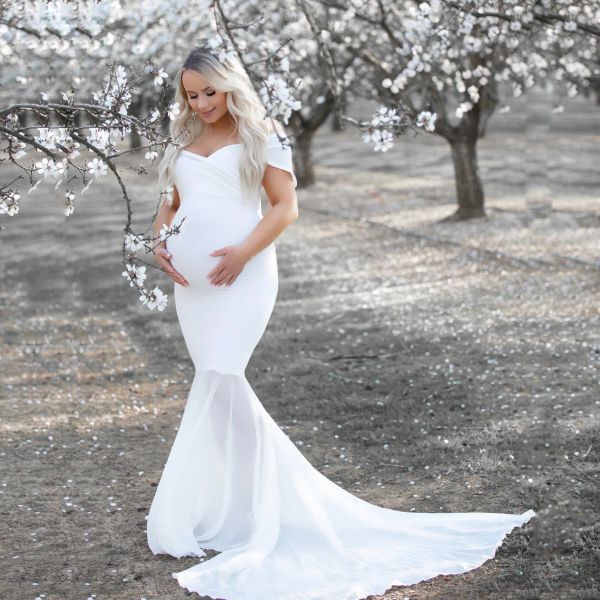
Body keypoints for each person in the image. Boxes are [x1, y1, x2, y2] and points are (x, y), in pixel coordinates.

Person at [146, 47, 536, 600]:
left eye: (209, 91)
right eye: (190, 93)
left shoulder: (263, 134)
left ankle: (268, 510)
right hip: (193, 287)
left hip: (245, 277)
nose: (201, 102)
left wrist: (240, 254)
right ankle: (239, 508)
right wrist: (159, 242)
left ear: (230, 86)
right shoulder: (182, 139)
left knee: (223, 377)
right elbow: (171, 200)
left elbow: (284, 208)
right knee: (217, 384)